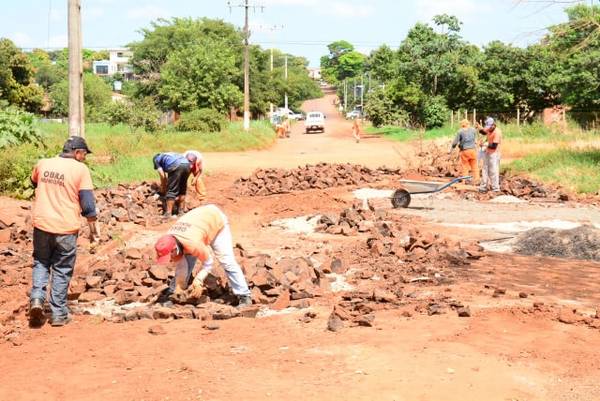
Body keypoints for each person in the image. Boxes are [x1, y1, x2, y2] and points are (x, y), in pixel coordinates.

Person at [29, 136, 99, 327]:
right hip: (66, 228)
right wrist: (94, 229)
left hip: (42, 223)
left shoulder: (43, 163)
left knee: (41, 262)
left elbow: (34, 182)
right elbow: (87, 205)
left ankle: (36, 298)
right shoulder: (80, 169)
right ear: (77, 152)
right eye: (84, 154)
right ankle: (58, 313)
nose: (84, 158)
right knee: (62, 268)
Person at [154, 204, 252, 308]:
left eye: (169, 256)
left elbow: (208, 262)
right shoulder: (168, 240)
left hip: (215, 220)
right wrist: (179, 285)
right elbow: (182, 264)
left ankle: (244, 295)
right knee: (187, 260)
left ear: (174, 249)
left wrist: (199, 280)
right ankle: (174, 293)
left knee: (226, 260)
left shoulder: (192, 243)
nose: (169, 260)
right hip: (198, 224)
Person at [153, 152, 196, 217]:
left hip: (175, 165)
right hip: (187, 165)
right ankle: (181, 212)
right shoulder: (167, 155)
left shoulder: (156, 159)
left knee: (171, 190)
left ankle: (168, 214)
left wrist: (163, 187)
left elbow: (162, 175)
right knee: (182, 189)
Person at [476, 117, 503, 193]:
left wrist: (484, 144)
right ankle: (483, 187)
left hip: (494, 153)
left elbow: (494, 146)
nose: (488, 129)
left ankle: (495, 188)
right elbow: (483, 132)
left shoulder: (497, 132)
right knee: (484, 169)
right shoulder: (489, 129)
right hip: (487, 152)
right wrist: (479, 127)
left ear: (493, 125)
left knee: (493, 170)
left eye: (489, 127)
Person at [449, 119, 479, 184]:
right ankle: (476, 180)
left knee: (465, 166)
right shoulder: (473, 130)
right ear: (468, 124)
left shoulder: (460, 131)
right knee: (474, 166)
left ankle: (464, 181)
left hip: (465, 151)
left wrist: (451, 149)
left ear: (462, 125)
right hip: (473, 150)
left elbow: (455, 142)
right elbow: (475, 140)